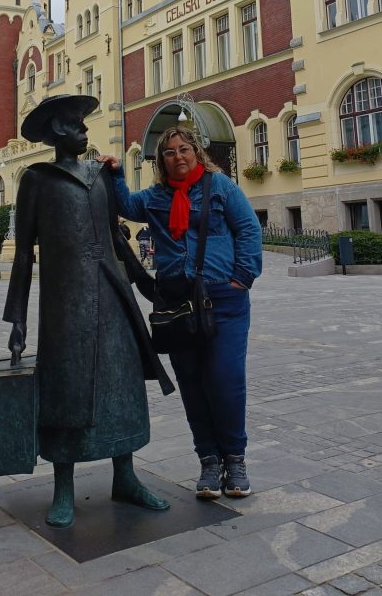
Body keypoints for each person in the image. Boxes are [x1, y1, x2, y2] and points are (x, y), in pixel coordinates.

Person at [3, 94, 174, 528]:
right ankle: (64, 488)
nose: (85, 132)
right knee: (67, 386)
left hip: (112, 293)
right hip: (64, 303)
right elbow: (24, 254)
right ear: (59, 131)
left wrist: (146, 284)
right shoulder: (37, 180)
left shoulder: (101, 176)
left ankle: (126, 476)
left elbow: (117, 237)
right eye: (78, 125)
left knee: (121, 380)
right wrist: (18, 319)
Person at [99, 126, 262, 500]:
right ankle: (208, 461)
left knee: (225, 380)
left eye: (184, 149)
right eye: (169, 152)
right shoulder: (155, 196)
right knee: (191, 384)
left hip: (224, 299)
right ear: (161, 160)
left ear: (197, 151)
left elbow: (249, 230)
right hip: (175, 303)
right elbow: (125, 205)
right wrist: (114, 173)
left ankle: (234, 459)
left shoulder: (221, 188)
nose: (178, 156)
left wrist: (243, 277)